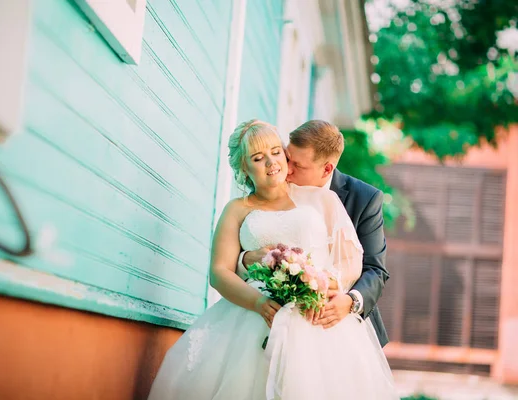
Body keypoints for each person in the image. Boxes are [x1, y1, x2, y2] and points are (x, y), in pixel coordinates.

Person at [147, 120, 397, 400]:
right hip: (252, 316)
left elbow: (360, 263)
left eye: (278, 153)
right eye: (258, 157)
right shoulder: (237, 209)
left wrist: (331, 288)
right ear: (244, 168)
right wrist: (253, 280)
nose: (279, 165)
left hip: (319, 316)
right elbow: (220, 271)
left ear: (325, 169)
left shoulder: (323, 199)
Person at [238, 120, 390, 347]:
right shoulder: (272, 185)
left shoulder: (365, 199)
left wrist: (350, 301)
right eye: (288, 158)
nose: (287, 169)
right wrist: (246, 258)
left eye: (298, 165)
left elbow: (375, 269)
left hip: (335, 321)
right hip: (266, 315)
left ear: (327, 169)